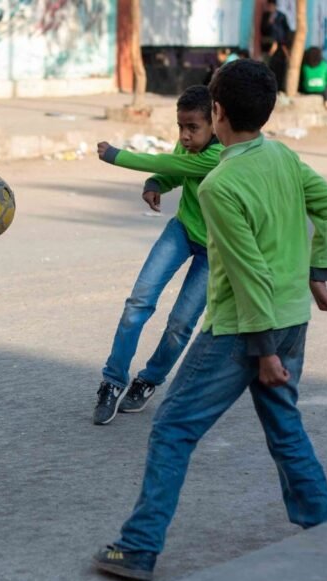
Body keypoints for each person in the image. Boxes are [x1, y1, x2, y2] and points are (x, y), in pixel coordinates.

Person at [93, 59, 327, 581]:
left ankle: (138, 547)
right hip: (291, 321)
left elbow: (249, 271)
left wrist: (264, 352)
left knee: (172, 428)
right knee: (285, 427)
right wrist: (319, 273)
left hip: (243, 332)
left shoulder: (219, 185)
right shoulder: (282, 155)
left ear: (217, 112)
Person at [92, 85, 223, 425]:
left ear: (215, 123)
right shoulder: (192, 148)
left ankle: (149, 380)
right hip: (181, 231)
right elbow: (174, 169)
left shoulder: (219, 155)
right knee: (138, 303)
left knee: (181, 324)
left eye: (193, 128)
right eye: (181, 127)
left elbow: (166, 161)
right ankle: (111, 381)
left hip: (216, 249)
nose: (184, 135)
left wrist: (117, 156)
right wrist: (155, 184)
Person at [261, 0, 292, 92]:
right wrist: (269, 23)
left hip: (281, 46)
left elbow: (286, 31)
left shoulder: (281, 16)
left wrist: (284, 45)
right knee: (270, 66)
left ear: (274, 6)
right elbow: (263, 30)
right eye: (268, 5)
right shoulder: (266, 16)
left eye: (271, 5)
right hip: (269, 46)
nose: (270, 7)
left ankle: (279, 88)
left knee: (280, 67)